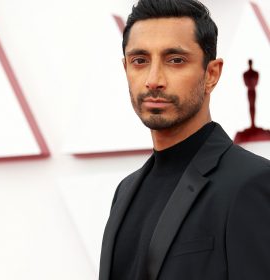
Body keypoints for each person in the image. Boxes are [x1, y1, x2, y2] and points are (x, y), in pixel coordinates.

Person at [99, 0, 270, 280]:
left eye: (175, 60)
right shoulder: (125, 191)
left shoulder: (252, 183)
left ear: (211, 74)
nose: (153, 80)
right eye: (140, 61)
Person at [243, 59, 259, 128]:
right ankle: (252, 124)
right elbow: (246, 83)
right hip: (250, 91)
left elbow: (255, 82)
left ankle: (253, 124)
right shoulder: (245, 74)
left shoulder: (256, 73)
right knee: (251, 106)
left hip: (253, 91)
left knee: (253, 106)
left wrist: (251, 83)